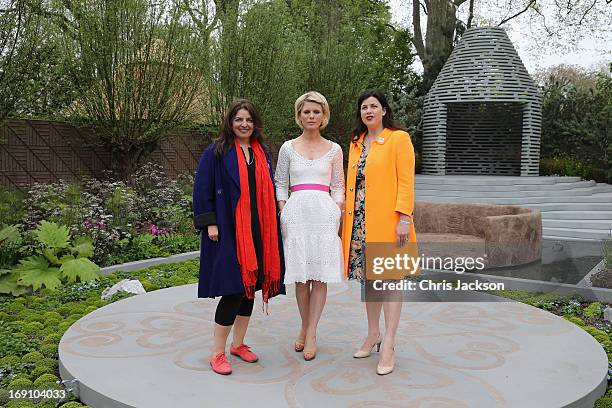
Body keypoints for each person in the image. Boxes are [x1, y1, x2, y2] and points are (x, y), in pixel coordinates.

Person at [193, 99, 285, 375]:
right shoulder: (217, 151)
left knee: (250, 289)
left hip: (259, 230)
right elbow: (202, 188)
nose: (244, 124)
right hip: (229, 229)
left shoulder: (261, 152)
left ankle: (239, 344)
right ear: (230, 123)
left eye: (248, 120)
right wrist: (210, 223)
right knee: (234, 290)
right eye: (238, 120)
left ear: (255, 123)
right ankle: (217, 352)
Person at [341, 89, 417, 375]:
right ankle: (373, 334)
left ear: (384, 110)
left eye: (374, 106)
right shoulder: (356, 142)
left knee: (391, 282)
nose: (368, 111)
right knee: (369, 281)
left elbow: (406, 181)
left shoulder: (399, 138)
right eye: (364, 107)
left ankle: (389, 343)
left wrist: (404, 218)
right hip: (359, 222)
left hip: (390, 221)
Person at [275, 91, 345, 361]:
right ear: (299, 115)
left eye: (316, 112)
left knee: (319, 276)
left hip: (324, 218)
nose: (311, 116)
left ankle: (312, 333)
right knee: (301, 278)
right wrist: (284, 211)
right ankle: (304, 327)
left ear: (324, 115)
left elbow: (338, 185)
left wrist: (335, 210)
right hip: (296, 217)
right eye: (306, 112)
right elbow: (280, 183)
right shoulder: (288, 147)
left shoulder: (335, 149)